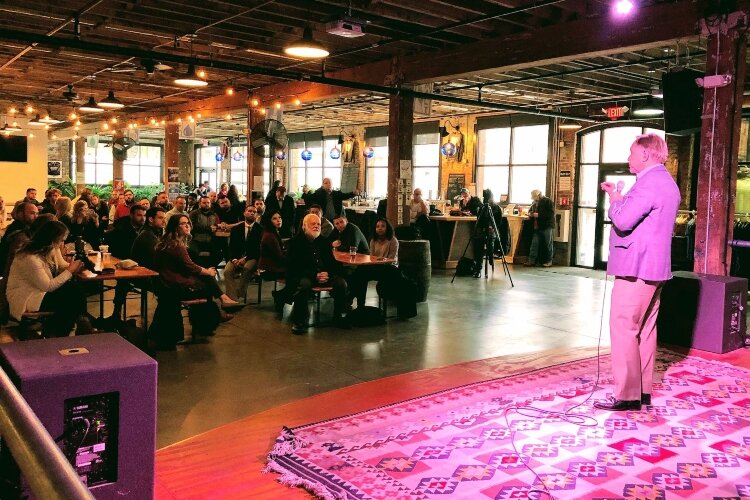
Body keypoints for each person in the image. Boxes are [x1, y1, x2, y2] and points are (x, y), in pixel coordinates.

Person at [594, 133, 680, 412]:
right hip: (655, 269)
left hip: (636, 268)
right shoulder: (667, 183)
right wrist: (617, 195)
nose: (628, 158)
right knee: (645, 330)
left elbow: (623, 219)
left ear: (645, 154)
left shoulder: (648, 184)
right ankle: (641, 391)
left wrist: (615, 199)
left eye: (631, 152)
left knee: (624, 327)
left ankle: (627, 395)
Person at [152, 215, 242, 344]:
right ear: (175, 227)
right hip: (173, 285)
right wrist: (208, 272)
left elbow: (185, 266)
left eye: (188, 222)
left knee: (206, 278)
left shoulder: (166, 241)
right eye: (183, 224)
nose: (187, 225)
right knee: (206, 282)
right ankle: (214, 315)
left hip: (168, 281)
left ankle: (216, 310)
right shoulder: (176, 245)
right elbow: (191, 267)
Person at [5, 220, 92, 337]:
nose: (63, 244)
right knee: (72, 296)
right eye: (61, 240)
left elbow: (62, 265)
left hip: (40, 292)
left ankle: (67, 328)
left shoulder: (51, 249)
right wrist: (71, 270)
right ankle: (70, 329)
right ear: (52, 239)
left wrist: (77, 267)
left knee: (73, 291)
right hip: (27, 297)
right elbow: (48, 286)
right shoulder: (29, 258)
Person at [286, 213, 348, 334]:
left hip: (324, 275)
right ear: (304, 226)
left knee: (341, 283)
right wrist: (315, 275)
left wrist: (327, 273)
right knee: (303, 285)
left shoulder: (324, 242)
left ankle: (339, 316)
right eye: (313, 224)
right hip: (306, 275)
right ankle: (299, 321)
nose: (316, 226)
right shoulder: (295, 242)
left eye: (318, 224)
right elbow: (294, 266)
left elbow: (332, 263)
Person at [348, 217, 399, 308]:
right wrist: (378, 261)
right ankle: (360, 304)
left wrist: (379, 260)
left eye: (383, 226)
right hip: (377, 266)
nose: (380, 228)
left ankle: (350, 296)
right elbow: (371, 258)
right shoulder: (373, 240)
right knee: (360, 272)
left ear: (387, 228)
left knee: (361, 272)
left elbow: (391, 259)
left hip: (390, 268)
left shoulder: (393, 240)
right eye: (377, 226)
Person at [224, 205, 263, 301]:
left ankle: (238, 294)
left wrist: (245, 259)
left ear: (257, 215)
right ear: (244, 213)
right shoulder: (236, 229)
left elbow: (258, 249)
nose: (252, 213)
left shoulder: (260, 229)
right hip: (236, 257)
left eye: (254, 212)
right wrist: (234, 259)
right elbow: (231, 247)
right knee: (227, 271)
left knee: (247, 268)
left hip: (252, 257)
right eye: (249, 211)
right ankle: (232, 299)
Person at [258, 212, 288, 314]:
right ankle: (282, 296)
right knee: (296, 273)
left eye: (280, 217)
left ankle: (281, 295)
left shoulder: (272, 232)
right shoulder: (270, 236)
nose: (279, 220)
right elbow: (279, 257)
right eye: (274, 218)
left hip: (272, 266)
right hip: (269, 270)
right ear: (269, 221)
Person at [472, 189, 504, 278]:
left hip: (492, 232)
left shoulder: (497, 208)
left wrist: (493, 227)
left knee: (490, 242)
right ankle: (478, 269)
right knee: (478, 246)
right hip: (482, 231)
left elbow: (499, 222)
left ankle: (490, 258)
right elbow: (479, 221)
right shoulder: (482, 208)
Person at [526, 189, 555, 267]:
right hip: (537, 226)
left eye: (535, 197)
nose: (534, 199)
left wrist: (538, 215)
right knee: (534, 244)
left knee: (548, 244)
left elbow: (550, 214)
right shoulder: (534, 203)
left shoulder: (548, 201)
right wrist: (531, 214)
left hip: (546, 226)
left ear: (539, 195)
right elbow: (530, 210)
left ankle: (549, 261)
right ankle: (531, 260)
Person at [189, 196, 221, 267]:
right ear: (199, 204)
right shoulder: (194, 213)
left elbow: (217, 225)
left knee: (219, 254)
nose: (206, 204)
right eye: (204, 203)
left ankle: (208, 269)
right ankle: (198, 270)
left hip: (210, 241)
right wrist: (208, 229)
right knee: (192, 253)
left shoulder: (214, 214)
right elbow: (192, 227)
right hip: (195, 240)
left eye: (208, 203)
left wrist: (217, 226)